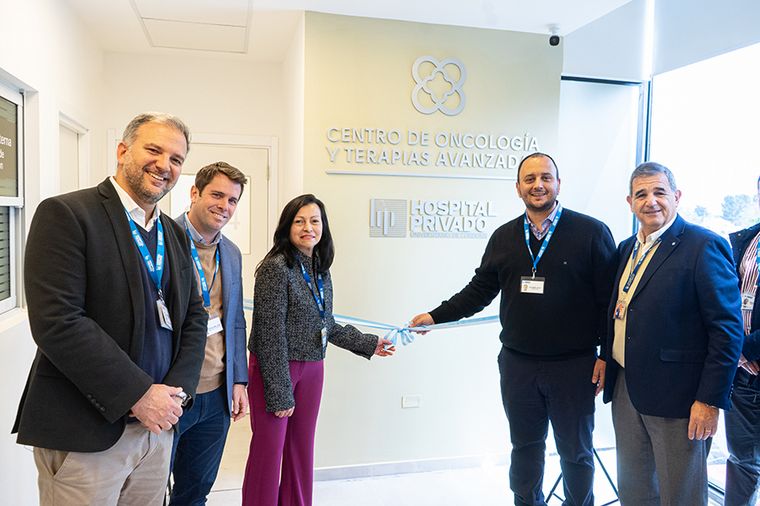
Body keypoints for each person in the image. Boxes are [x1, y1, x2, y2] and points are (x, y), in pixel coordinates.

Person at [12, 112, 208, 505]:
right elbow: (58, 322)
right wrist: (140, 394)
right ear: (122, 151)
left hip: (156, 431)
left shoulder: (172, 232)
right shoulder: (68, 215)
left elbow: (193, 316)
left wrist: (176, 395)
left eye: (176, 159)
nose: (164, 165)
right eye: (154, 150)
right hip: (87, 433)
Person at [410, 152, 616, 506]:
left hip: (574, 366)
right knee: (524, 448)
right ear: (518, 188)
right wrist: (435, 316)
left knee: (576, 452)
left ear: (558, 184)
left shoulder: (591, 232)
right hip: (518, 365)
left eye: (546, 177)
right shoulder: (504, 237)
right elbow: (478, 291)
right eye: (530, 179)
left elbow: (609, 304)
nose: (538, 185)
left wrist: (604, 356)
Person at [603, 161, 743, 505]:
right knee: (635, 491)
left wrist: (709, 400)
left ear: (676, 196)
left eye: (659, 192)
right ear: (630, 202)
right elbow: (622, 312)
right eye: (641, 194)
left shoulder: (702, 245)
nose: (651, 201)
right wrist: (605, 357)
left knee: (680, 495)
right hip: (627, 388)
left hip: (680, 398)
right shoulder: (627, 249)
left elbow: (727, 330)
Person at [242, 194, 394, 506]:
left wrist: (369, 343)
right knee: (268, 455)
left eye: (314, 221)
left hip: (313, 369)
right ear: (287, 226)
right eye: (299, 221)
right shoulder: (275, 268)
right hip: (277, 369)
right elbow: (270, 334)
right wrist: (281, 391)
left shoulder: (320, 270)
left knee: (301, 450)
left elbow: (328, 324)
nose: (307, 227)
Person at [170, 162, 249, 505]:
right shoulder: (163, 239)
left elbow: (234, 321)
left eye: (232, 200)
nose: (224, 206)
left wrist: (239, 380)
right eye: (217, 195)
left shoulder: (230, 253)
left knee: (196, 490)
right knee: (150, 489)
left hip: (216, 396)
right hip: (171, 392)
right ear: (194, 193)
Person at [725, 175, 760, 506]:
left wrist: (738, 348)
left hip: (746, 357)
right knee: (742, 463)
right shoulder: (745, 240)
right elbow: (726, 301)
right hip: (742, 376)